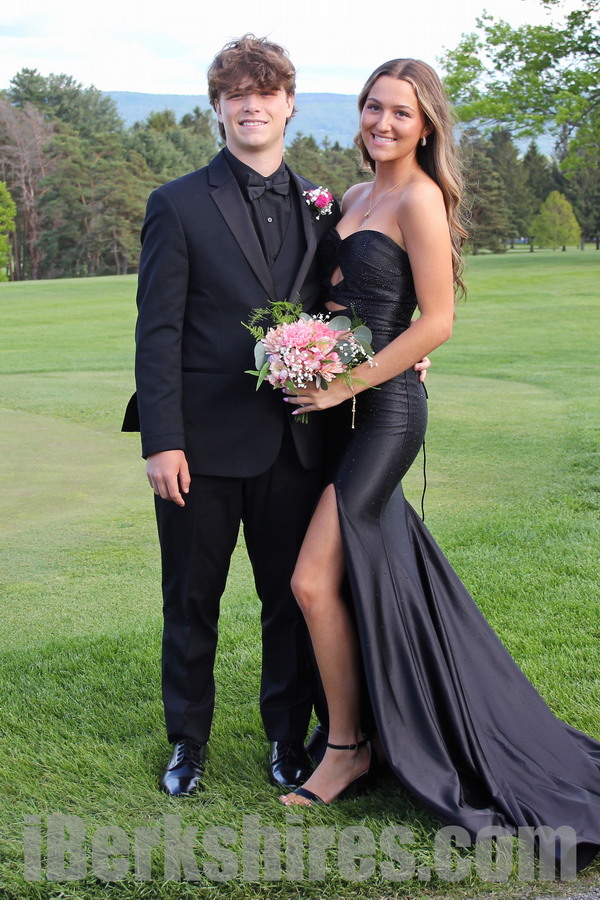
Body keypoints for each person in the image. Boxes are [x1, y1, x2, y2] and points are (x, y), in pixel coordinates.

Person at [279, 58, 600, 872]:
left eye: (401, 112)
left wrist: (346, 382)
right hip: (339, 410)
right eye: (373, 107)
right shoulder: (354, 197)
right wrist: (301, 352)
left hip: (384, 416)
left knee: (312, 581)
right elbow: (338, 303)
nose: (383, 123)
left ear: (426, 126)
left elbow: (438, 321)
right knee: (374, 575)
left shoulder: (419, 198)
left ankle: (347, 749)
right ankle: (393, 722)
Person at [122, 33, 431, 797]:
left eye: (265, 93)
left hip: (298, 440)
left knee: (287, 601)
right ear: (218, 108)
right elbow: (156, 332)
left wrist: (399, 351)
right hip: (199, 445)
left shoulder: (327, 204)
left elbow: (348, 304)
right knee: (190, 601)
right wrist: (162, 441)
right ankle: (187, 742)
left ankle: (287, 742)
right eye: (236, 94)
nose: (251, 106)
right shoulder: (176, 204)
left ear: (290, 104)